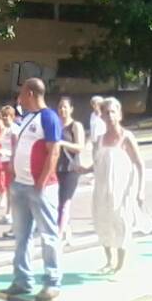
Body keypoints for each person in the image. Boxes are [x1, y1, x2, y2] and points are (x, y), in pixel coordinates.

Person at [3, 78, 63, 301]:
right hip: (21, 184)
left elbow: (53, 152)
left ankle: (52, 281)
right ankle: (22, 279)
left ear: (30, 93)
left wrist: (42, 181)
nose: (19, 98)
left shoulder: (49, 117)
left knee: (48, 235)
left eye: (21, 93)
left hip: (40, 188)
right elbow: (21, 145)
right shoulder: (28, 118)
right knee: (22, 236)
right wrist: (13, 168)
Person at [91, 97, 146, 274]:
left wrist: (141, 189)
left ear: (119, 114)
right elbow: (96, 164)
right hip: (102, 190)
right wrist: (82, 169)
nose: (109, 115)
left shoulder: (126, 137)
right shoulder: (98, 140)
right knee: (103, 222)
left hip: (122, 190)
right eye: (106, 112)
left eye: (112, 112)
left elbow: (139, 163)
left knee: (121, 222)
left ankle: (120, 265)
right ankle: (108, 260)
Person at [55, 97, 87, 243]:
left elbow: (80, 146)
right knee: (56, 202)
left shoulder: (75, 126)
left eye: (65, 107)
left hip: (71, 168)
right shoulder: (56, 125)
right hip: (56, 167)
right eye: (60, 107)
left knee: (65, 202)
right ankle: (66, 228)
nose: (62, 110)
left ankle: (59, 234)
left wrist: (62, 143)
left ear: (71, 109)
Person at [0, 105, 19, 231]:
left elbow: (15, 147)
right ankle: (8, 212)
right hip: (4, 161)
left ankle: (13, 216)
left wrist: (12, 161)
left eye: (7, 116)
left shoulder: (14, 130)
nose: (4, 118)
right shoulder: (6, 129)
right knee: (8, 190)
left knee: (12, 190)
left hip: (11, 161)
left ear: (12, 116)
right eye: (3, 116)